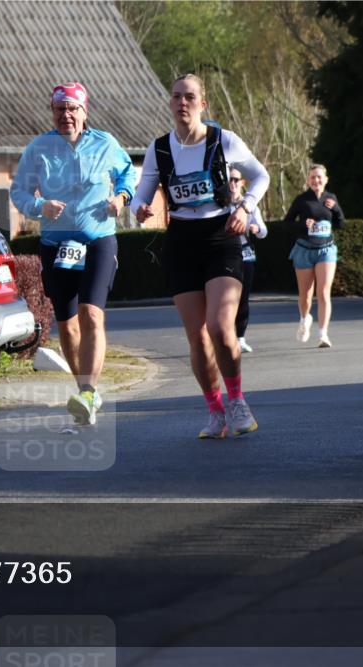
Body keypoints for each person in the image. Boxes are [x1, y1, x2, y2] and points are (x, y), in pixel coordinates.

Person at [131, 74, 269, 439]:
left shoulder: (223, 140)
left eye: (190, 97)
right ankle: (215, 411)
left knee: (222, 328)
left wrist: (246, 208)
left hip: (221, 234)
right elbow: (141, 194)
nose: (182, 103)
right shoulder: (159, 148)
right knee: (197, 335)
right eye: (176, 97)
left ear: (202, 104)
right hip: (181, 240)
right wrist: (140, 208)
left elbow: (262, 176)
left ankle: (237, 400)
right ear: (170, 103)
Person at [10, 82, 135, 426]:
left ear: (84, 112)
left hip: (98, 240)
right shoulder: (39, 148)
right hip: (57, 246)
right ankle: (84, 390)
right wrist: (39, 206)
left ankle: (89, 393)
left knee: (91, 314)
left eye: (72, 108)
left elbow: (128, 174)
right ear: (52, 113)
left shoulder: (105, 143)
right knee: (67, 326)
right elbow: (18, 190)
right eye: (59, 109)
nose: (66, 115)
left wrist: (121, 197)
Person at [283, 164, 345, 348]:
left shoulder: (331, 199)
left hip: (326, 250)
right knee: (305, 295)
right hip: (304, 250)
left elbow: (341, 223)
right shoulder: (302, 200)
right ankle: (304, 319)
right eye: (312, 177)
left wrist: (336, 210)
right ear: (308, 180)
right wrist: (303, 224)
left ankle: (323, 334)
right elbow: (287, 223)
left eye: (319, 177)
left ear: (326, 179)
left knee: (324, 292)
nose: (316, 180)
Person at [229, 167, 268, 353]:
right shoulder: (218, 206)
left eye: (236, 180)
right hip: (226, 255)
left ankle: (240, 337)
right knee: (226, 299)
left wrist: (255, 229)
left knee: (243, 298)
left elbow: (264, 232)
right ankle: (226, 337)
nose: (232, 184)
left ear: (242, 183)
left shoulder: (250, 205)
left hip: (246, 254)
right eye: (229, 180)